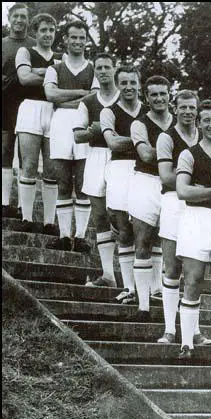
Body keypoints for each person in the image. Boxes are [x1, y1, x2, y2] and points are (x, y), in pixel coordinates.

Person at [156, 90, 211, 347]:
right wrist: (190, 177)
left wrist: (192, 182)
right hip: (173, 203)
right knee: (172, 267)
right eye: (183, 107)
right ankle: (169, 329)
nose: (188, 112)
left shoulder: (205, 137)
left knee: (194, 273)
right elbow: (167, 177)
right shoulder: (166, 137)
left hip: (198, 208)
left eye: (192, 108)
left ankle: (195, 330)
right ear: (174, 108)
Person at [175, 99, 211, 360]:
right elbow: (183, 191)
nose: (210, 124)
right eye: (205, 120)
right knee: (193, 279)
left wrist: (202, 192)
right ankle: (186, 343)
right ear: (199, 122)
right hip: (195, 220)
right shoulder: (189, 154)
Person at [43, 20, 98, 253]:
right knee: (63, 181)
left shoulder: (94, 68)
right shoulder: (55, 67)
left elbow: (95, 99)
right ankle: (65, 235)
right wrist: (80, 94)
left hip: (83, 124)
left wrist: (71, 99)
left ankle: (81, 236)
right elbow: (50, 95)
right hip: (60, 123)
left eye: (81, 37)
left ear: (86, 40)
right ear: (65, 39)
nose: (77, 41)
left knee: (84, 183)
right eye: (73, 37)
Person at [127, 75, 174, 321]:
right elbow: (145, 155)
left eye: (162, 93)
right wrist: (173, 152)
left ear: (169, 95)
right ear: (147, 97)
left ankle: (162, 297)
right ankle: (143, 306)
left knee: (169, 245)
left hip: (171, 186)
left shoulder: (179, 123)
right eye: (153, 94)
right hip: (145, 182)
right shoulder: (139, 123)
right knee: (143, 240)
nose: (159, 98)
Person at [73, 52, 120, 287]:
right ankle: (109, 275)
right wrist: (96, 131)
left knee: (120, 215)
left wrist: (102, 127)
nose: (103, 71)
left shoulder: (126, 98)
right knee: (100, 216)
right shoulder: (88, 101)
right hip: (95, 157)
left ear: (114, 69)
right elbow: (77, 135)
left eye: (106, 67)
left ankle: (137, 279)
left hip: (121, 159)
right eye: (99, 68)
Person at [100, 65, 144, 304]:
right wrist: (142, 142)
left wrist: (131, 143)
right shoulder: (109, 112)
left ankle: (151, 288)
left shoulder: (148, 111)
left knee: (146, 230)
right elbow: (113, 144)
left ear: (139, 84)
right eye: (123, 83)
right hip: (119, 169)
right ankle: (129, 286)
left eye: (132, 82)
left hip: (146, 172)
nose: (128, 87)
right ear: (118, 86)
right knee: (123, 229)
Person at [15, 13, 62, 234]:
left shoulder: (61, 57)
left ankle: (49, 222)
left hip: (54, 111)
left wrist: (39, 73)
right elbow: (24, 78)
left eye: (51, 30)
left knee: (52, 169)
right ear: (35, 32)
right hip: (30, 108)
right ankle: (26, 218)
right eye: (43, 30)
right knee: (30, 165)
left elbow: (61, 86)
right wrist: (51, 76)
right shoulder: (26, 51)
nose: (47, 34)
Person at [2, 3, 36, 218]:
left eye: (23, 17)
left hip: (29, 104)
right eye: (16, 16)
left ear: (28, 20)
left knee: (27, 155)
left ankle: (25, 206)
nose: (19, 21)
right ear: (9, 17)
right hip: (5, 102)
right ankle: (4, 202)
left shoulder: (34, 45)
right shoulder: (2, 44)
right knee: (4, 150)